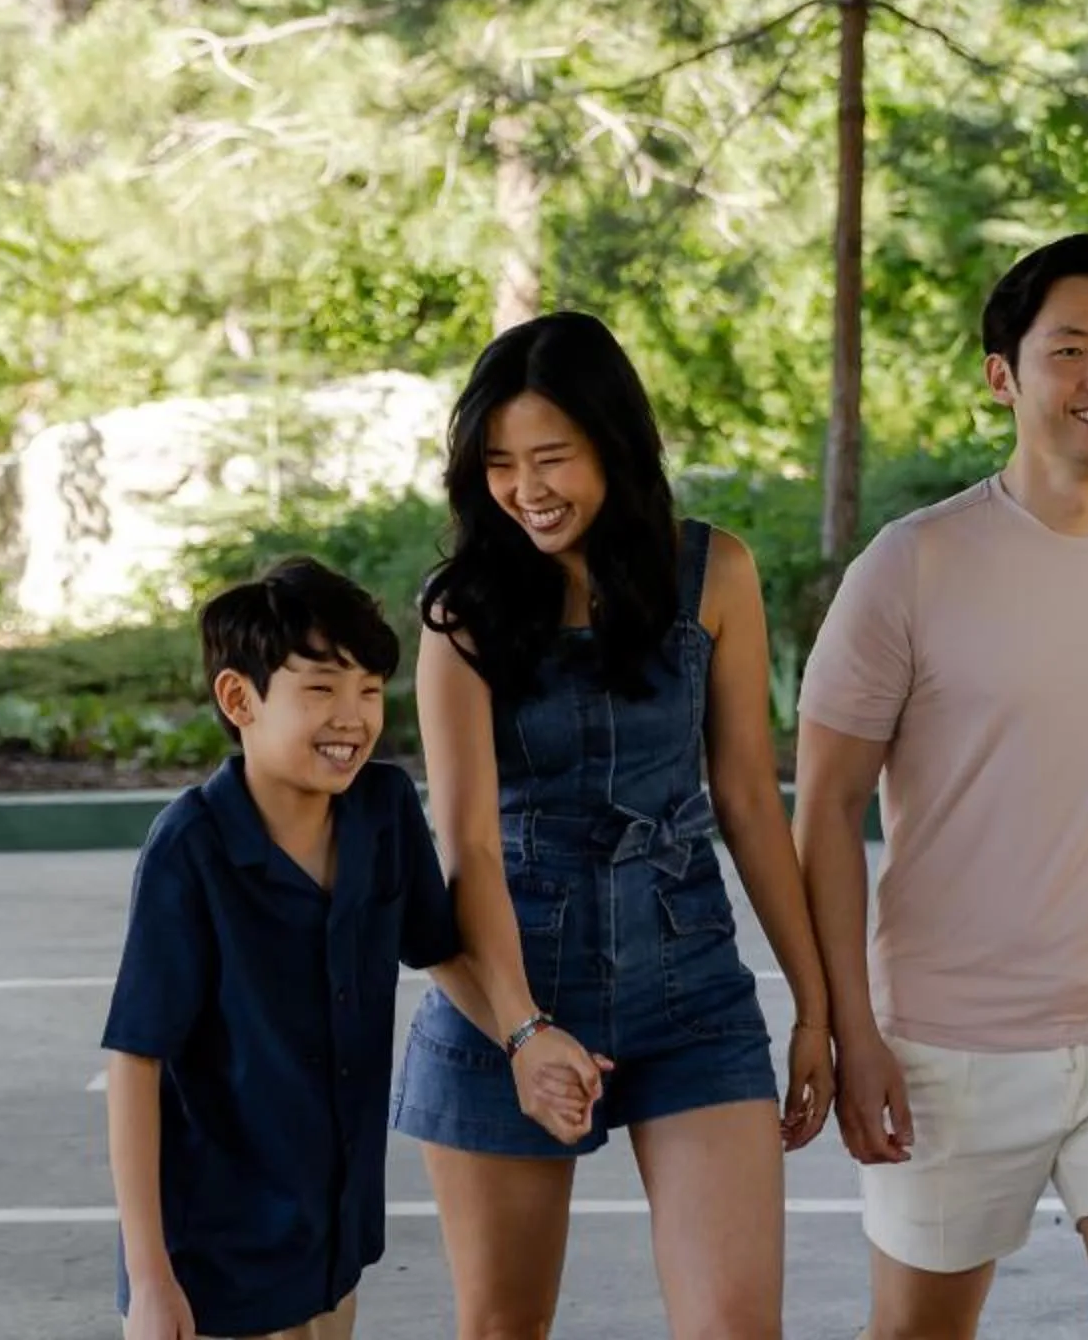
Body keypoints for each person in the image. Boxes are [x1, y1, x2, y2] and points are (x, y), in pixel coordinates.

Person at [796, 233, 1088, 1340]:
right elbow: (828, 806)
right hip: (949, 1038)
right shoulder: (910, 564)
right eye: (1073, 348)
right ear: (1004, 374)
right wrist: (855, 1029)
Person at [393, 309, 834, 1340]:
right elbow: (466, 850)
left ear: (616, 446)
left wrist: (814, 1006)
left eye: (553, 455)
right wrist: (521, 1028)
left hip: (691, 991)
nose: (527, 487)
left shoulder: (712, 572)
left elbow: (750, 801)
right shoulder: (459, 611)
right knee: (504, 1325)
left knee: (735, 1325)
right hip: (508, 991)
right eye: (500, 462)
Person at [102, 557, 477, 1340]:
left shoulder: (383, 810)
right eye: (320, 689)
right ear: (239, 699)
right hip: (215, 1252)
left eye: (369, 691)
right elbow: (136, 1061)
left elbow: (444, 950)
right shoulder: (192, 847)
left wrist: (527, 1038)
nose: (353, 717)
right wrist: (150, 1280)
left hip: (332, 1232)